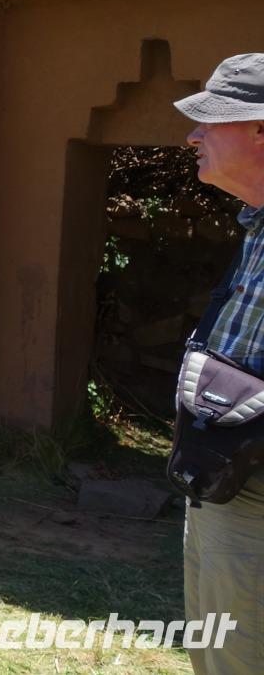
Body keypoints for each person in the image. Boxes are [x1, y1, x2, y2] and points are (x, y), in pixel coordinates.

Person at [176, 53, 264, 675]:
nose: (192, 135)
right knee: (212, 655)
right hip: (224, 479)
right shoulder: (255, 226)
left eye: (211, 121)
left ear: (261, 129)